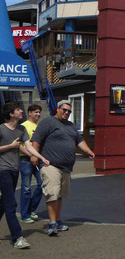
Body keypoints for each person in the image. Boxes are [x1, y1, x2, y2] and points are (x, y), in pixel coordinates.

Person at [31, 100, 95, 236]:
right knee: (52, 194)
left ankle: (57, 221)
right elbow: (36, 139)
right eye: (64, 110)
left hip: (66, 168)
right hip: (50, 164)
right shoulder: (48, 122)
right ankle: (52, 224)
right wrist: (35, 156)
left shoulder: (71, 126)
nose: (66, 113)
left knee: (59, 195)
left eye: (69, 111)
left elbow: (80, 141)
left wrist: (89, 151)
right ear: (57, 109)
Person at [0, 102, 50, 249]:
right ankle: (17, 238)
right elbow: (13, 146)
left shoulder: (21, 129)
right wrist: (11, 146)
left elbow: (28, 147)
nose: (21, 111)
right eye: (18, 110)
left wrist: (41, 158)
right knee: (11, 204)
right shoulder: (1, 129)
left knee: (4, 202)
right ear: (11, 114)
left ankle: (17, 236)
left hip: (15, 170)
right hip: (2, 170)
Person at [19, 104, 44, 224]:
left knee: (42, 184)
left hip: (37, 160)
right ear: (29, 113)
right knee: (26, 188)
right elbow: (19, 145)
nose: (38, 114)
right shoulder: (23, 126)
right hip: (25, 160)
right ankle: (25, 215)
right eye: (35, 112)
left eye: (39, 112)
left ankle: (30, 209)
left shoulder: (38, 126)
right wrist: (31, 155)